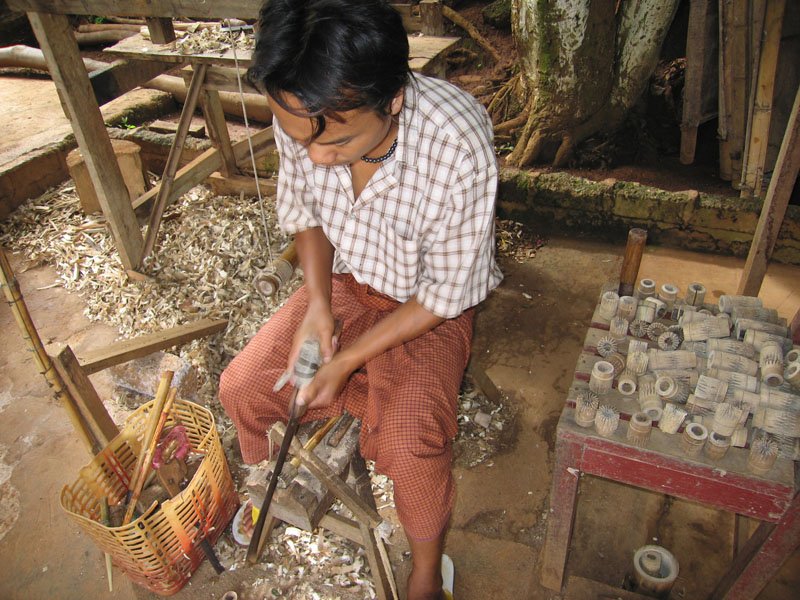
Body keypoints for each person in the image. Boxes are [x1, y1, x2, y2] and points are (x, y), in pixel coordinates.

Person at [219, 1, 502, 597]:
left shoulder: (456, 140)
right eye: (299, 138)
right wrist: (318, 306)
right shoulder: (304, 107)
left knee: (408, 443)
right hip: (347, 283)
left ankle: (426, 569)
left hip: (426, 310)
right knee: (243, 386)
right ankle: (267, 482)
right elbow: (306, 213)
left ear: (392, 99)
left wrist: (347, 359)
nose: (314, 156)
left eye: (338, 141)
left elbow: (444, 294)